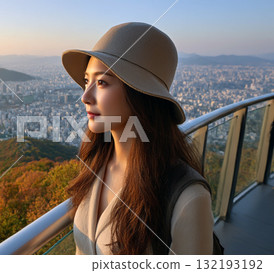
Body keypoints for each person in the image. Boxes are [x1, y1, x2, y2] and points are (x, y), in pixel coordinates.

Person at [62, 22, 214, 255]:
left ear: (140, 94)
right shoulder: (94, 165)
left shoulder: (187, 198)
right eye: (86, 81)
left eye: (101, 82)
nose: (85, 96)